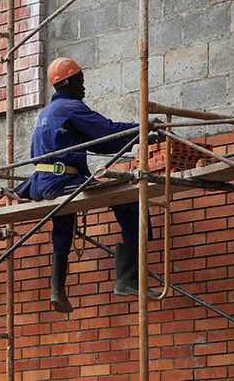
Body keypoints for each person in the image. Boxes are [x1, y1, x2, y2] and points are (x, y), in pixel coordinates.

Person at [27, 57, 158, 313]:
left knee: (64, 219)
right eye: (80, 81)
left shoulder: (47, 113)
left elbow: (100, 142)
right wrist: (144, 128)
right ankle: (128, 280)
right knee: (129, 201)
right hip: (62, 178)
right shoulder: (71, 107)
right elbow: (106, 130)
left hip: (44, 182)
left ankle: (57, 291)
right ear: (67, 83)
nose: (84, 87)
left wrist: (138, 138)